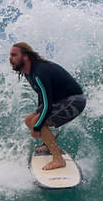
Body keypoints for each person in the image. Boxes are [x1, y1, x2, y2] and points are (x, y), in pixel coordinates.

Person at [9, 42, 86, 170]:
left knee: (37, 122)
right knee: (29, 120)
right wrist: (37, 120)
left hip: (75, 101)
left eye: (14, 55)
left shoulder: (39, 72)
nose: (10, 58)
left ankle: (58, 159)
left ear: (25, 56)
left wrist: (38, 126)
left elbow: (48, 105)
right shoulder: (29, 71)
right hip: (61, 100)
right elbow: (42, 98)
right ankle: (49, 145)